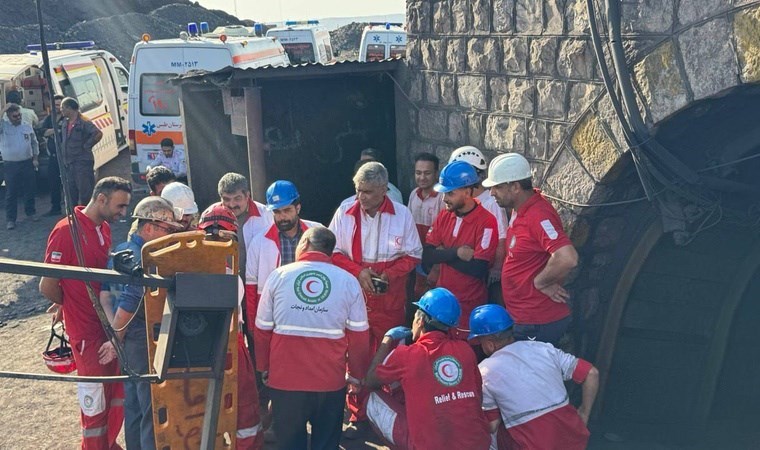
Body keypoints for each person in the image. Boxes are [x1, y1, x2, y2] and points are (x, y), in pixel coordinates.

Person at [254, 227, 370, 450]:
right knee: (326, 443)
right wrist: (356, 376)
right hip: (329, 383)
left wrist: (264, 367)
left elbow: (261, 330)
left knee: (289, 444)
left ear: (304, 242)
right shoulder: (348, 281)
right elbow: (359, 337)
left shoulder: (278, 276)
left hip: (285, 380)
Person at [328, 161, 422, 435]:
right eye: (358, 190)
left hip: (389, 301)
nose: (361, 197)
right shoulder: (345, 211)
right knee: (354, 356)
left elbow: (414, 255)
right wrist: (359, 273)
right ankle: (358, 415)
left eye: (367, 191)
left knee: (388, 356)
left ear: (384, 189)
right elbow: (332, 253)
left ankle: (387, 412)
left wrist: (386, 275)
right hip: (354, 298)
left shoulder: (402, 215)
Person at [39, 176, 132, 449]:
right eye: (120, 206)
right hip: (86, 332)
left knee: (114, 393)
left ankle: (108, 443)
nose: (123, 213)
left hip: (106, 325)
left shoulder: (103, 227)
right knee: (94, 402)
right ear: (101, 199)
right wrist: (68, 304)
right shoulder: (66, 231)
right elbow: (47, 285)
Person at [98, 197, 181, 450]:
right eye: (166, 229)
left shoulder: (120, 250)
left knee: (133, 406)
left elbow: (105, 295)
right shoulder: (142, 259)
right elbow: (131, 299)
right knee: (150, 409)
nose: (169, 235)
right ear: (149, 228)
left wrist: (114, 333)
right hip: (139, 337)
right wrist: (118, 337)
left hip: (125, 335)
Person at [363, 288, 491, 450]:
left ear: (420, 321)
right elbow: (477, 398)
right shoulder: (466, 350)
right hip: (477, 443)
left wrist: (387, 341)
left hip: (429, 446)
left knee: (372, 400)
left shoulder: (406, 354)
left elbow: (370, 381)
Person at [469, 305, 598, 449]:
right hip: (573, 439)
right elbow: (592, 373)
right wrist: (584, 414)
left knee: (488, 437)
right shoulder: (543, 348)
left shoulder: (485, 370)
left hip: (535, 444)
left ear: (490, 344)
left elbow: (492, 425)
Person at [483, 153, 578, 345]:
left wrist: (541, 282)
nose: (492, 193)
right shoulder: (521, 208)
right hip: (525, 318)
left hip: (536, 321)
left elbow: (567, 257)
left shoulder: (538, 215)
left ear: (516, 187)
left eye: (498, 187)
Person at [198, 203, 264, 449]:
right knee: (243, 406)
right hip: (227, 347)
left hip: (200, 349)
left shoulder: (189, 265)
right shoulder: (224, 270)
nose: (218, 240)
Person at [422, 160, 498, 338]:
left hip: (469, 306)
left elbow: (478, 268)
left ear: (467, 192)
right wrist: (457, 253)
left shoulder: (487, 222)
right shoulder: (444, 216)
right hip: (441, 303)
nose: (444, 198)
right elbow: (427, 255)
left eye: (450, 193)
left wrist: (442, 254)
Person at [244, 180, 322, 332]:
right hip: (276, 316)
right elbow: (251, 288)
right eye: (277, 212)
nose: (282, 217)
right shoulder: (259, 242)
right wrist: (254, 327)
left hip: (313, 311)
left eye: (287, 210)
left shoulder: (318, 232)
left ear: (298, 208)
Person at [449, 146, 508, 297]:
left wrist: (496, 269)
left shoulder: (491, 203)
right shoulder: (459, 201)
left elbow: (502, 239)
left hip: (481, 274)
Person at [406, 152, 445, 305]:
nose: (422, 177)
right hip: (416, 258)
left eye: (427, 173)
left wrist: (436, 267)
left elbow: (443, 235)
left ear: (436, 174)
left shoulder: (442, 197)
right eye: (418, 173)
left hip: (434, 260)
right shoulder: (413, 195)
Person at [1, 102, 39, 230]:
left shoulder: (26, 126)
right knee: (11, 192)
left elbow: (34, 142)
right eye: (15, 116)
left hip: (27, 162)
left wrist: (35, 158)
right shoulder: (4, 127)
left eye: (19, 115)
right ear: (8, 116)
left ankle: (31, 212)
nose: (18, 118)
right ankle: (11, 219)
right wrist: (3, 109)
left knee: (30, 189)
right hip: (10, 164)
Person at [60, 97, 103, 205]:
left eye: (63, 108)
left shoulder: (84, 122)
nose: (61, 110)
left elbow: (98, 134)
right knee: (70, 193)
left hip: (82, 162)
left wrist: (87, 146)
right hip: (69, 163)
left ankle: (86, 217)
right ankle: (72, 217)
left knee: (85, 192)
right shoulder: (65, 122)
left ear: (70, 108)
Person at [39, 94, 65, 216]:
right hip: (53, 157)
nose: (57, 107)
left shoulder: (67, 119)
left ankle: (71, 208)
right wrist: (56, 130)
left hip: (66, 157)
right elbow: (43, 131)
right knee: (53, 182)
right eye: (55, 105)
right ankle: (55, 207)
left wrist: (51, 132)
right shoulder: (50, 118)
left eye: (59, 105)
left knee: (69, 184)